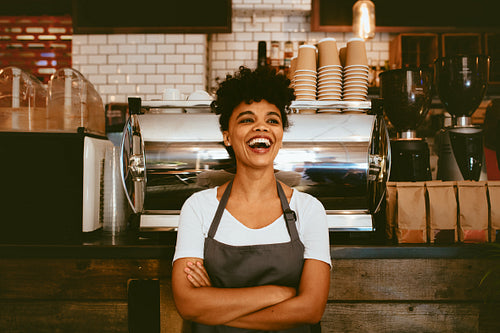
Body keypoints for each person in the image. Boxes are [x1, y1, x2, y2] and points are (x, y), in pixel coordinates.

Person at [172, 66, 331, 332]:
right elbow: (188, 304)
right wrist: (278, 294)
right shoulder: (198, 208)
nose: (261, 127)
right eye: (246, 120)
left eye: (272, 120)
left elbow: (311, 309)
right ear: (227, 136)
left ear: (280, 136)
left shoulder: (309, 210)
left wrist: (213, 309)